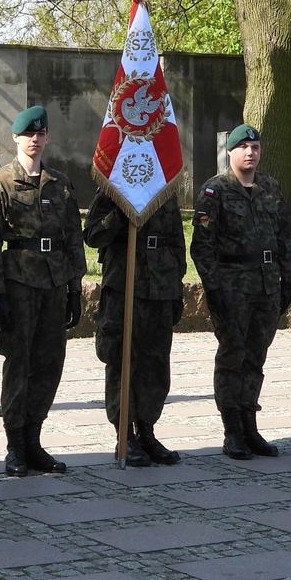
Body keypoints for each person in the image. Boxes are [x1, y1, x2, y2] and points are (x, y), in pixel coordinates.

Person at [0, 105, 85, 477]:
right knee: (19, 365)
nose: (35, 140)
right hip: (19, 283)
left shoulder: (59, 183)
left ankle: (34, 439)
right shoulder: (1, 183)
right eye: (28, 134)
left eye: (40, 134)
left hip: (54, 283)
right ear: (15, 138)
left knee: (49, 364)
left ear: (47, 138)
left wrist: (75, 289)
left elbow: (73, 239)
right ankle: (15, 445)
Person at [191, 124, 291, 459]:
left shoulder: (270, 187)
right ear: (231, 151)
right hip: (232, 287)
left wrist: (286, 278)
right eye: (244, 147)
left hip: (266, 285)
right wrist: (214, 289)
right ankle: (232, 430)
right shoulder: (215, 190)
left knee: (256, 356)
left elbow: (284, 235)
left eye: (255, 147)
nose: (251, 153)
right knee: (232, 356)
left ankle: (250, 425)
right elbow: (202, 247)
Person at [84, 187, 186, 466]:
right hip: (124, 287)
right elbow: (92, 235)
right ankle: (124, 434)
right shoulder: (113, 189)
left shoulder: (164, 189)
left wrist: (176, 289)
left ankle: (147, 431)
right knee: (121, 361)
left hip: (161, 287)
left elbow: (177, 243)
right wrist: (120, 213)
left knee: (156, 363)